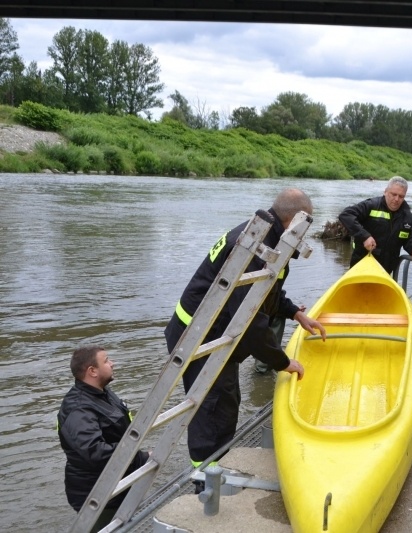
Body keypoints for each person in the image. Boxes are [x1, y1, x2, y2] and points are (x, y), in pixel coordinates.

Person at [164, 188, 326, 478]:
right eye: (306, 225)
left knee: (226, 401)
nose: (305, 237)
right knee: (212, 407)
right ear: (296, 220)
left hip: (211, 330)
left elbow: (267, 291)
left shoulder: (270, 238)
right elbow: (249, 321)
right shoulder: (258, 245)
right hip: (200, 335)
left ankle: (217, 466)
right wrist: (282, 361)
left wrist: (294, 313)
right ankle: (205, 478)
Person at [57, 345, 150, 532]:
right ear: (92, 371)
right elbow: (95, 452)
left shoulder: (101, 392)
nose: (112, 364)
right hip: (97, 493)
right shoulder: (78, 409)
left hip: (116, 482)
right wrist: (140, 458)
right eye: (106, 360)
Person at [338, 176, 412, 274]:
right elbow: (346, 215)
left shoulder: (406, 215)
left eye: (401, 196)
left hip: (385, 270)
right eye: (393, 194)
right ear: (385, 192)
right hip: (361, 265)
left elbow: (410, 238)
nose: (397, 199)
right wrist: (365, 236)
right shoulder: (372, 205)